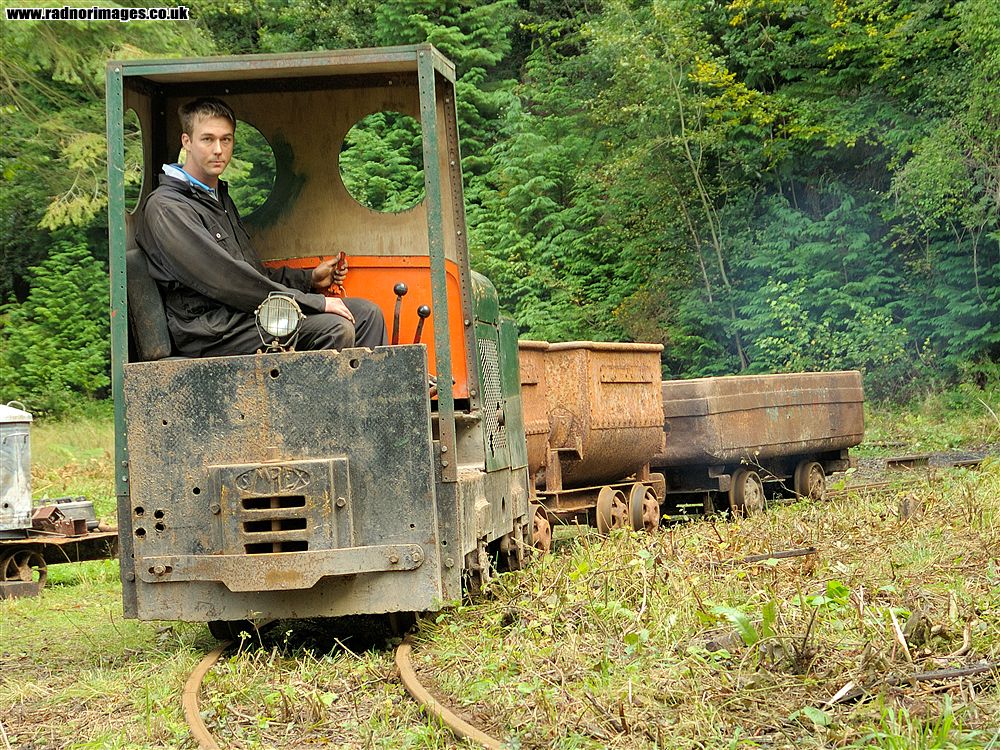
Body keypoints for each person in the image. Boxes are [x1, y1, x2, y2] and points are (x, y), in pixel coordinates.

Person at [137, 97, 387, 357]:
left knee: (367, 315)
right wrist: (314, 302)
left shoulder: (215, 196)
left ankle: (366, 397)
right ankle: (317, 399)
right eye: (207, 139)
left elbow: (251, 271)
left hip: (242, 314)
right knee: (334, 328)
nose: (219, 150)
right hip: (210, 330)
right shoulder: (168, 208)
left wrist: (308, 279)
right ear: (186, 142)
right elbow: (227, 280)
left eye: (226, 139)